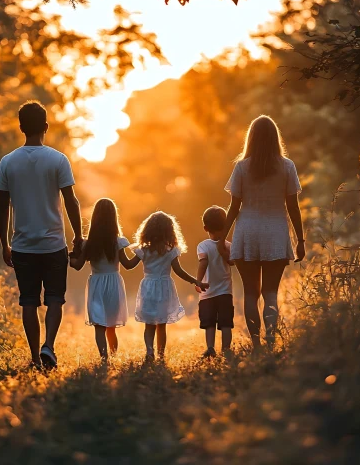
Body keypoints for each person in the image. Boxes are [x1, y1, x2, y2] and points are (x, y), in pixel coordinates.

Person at [0, 100, 83, 369]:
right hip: (54, 243)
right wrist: (78, 237)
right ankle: (49, 347)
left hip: (22, 245)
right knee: (55, 298)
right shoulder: (58, 159)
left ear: (21, 127)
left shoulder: (7, 162)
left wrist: (4, 244)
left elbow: (2, 208)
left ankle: (35, 357)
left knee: (29, 301)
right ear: (46, 126)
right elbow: (71, 201)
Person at [219, 115, 305, 348]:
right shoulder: (287, 166)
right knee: (270, 293)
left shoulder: (242, 167)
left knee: (250, 293)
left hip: (247, 232)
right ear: (275, 138)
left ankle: (256, 344)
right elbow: (293, 207)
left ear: (251, 138)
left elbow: (234, 207)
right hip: (276, 233)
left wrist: (222, 238)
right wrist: (300, 239)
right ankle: (270, 341)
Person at [127, 211, 206, 359]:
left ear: (148, 229)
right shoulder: (171, 251)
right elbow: (178, 271)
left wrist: (118, 253)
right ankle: (161, 355)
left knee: (149, 324)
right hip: (164, 287)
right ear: (170, 230)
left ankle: (149, 352)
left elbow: (129, 265)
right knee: (161, 324)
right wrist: (195, 281)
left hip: (148, 287)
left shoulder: (144, 249)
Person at [69, 198, 131, 360]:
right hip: (114, 284)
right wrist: (141, 255)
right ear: (114, 218)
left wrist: (67, 256)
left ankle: (104, 359)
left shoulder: (88, 244)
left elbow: (77, 265)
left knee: (99, 326)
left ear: (94, 218)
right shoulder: (118, 242)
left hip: (96, 284)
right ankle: (113, 356)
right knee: (111, 326)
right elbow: (128, 265)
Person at [196, 206, 234, 358]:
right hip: (225, 291)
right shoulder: (228, 245)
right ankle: (226, 349)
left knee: (209, 323)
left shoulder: (203, 245)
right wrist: (223, 252)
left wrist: (198, 281)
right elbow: (232, 263)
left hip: (208, 292)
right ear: (225, 225)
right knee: (226, 323)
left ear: (205, 227)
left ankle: (210, 348)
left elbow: (203, 262)